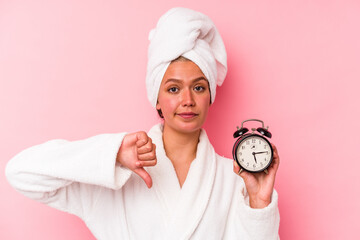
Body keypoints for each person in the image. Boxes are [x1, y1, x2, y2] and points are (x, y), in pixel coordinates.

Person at [5, 7, 280, 239]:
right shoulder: (115, 176)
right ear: (156, 99)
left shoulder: (232, 179)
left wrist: (259, 203)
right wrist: (112, 156)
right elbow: (21, 173)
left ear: (210, 96)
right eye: (173, 89)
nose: (187, 100)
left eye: (198, 88)